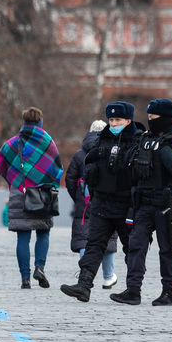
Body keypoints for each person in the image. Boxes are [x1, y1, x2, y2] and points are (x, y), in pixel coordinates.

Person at [110, 98, 172, 306]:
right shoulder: (144, 139)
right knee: (136, 246)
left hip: (167, 205)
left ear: (164, 118)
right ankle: (133, 290)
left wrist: (162, 148)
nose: (150, 121)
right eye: (148, 118)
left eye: (153, 118)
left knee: (167, 249)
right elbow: (130, 166)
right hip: (144, 204)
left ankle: (167, 292)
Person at [61, 102, 143, 302]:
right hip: (102, 204)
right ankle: (84, 286)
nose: (113, 123)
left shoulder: (137, 141)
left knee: (131, 248)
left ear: (128, 121)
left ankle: (133, 290)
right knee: (94, 245)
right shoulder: (101, 140)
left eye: (118, 120)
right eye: (111, 120)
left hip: (126, 206)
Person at [0, 106, 63, 289]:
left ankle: (25, 279)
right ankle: (39, 268)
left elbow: (1, 166)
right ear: (40, 122)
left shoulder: (12, 143)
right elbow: (57, 170)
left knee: (22, 238)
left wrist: (15, 180)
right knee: (43, 232)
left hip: (20, 192)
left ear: (24, 122)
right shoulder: (48, 143)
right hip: (43, 195)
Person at [65, 119, 119, 290]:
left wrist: (79, 198)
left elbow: (70, 180)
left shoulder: (80, 154)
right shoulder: (112, 150)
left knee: (84, 239)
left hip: (85, 203)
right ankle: (108, 277)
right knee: (108, 240)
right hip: (107, 201)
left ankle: (84, 275)